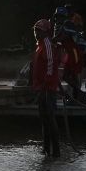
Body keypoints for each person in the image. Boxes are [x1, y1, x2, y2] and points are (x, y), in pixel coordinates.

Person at [31, 18, 61, 158]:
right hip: (40, 87)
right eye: (35, 31)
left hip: (47, 88)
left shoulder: (47, 45)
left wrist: (45, 85)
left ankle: (56, 151)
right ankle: (45, 148)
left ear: (45, 32)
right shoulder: (39, 45)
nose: (36, 33)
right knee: (44, 118)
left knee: (50, 116)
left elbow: (50, 65)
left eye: (39, 31)